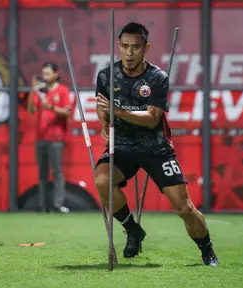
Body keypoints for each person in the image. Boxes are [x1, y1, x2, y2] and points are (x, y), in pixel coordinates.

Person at [94, 22, 219, 266]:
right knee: (101, 180)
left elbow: (152, 119)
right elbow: (103, 108)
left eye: (136, 48)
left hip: (157, 149)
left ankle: (207, 249)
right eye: (124, 46)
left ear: (146, 48)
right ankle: (132, 229)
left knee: (184, 208)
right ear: (118, 46)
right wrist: (103, 122)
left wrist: (116, 112)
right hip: (123, 147)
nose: (129, 53)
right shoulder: (106, 76)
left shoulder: (156, 77)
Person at [27, 62, 72, 214]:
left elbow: (67, 112)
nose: (45, 77)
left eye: (48, 74)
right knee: (42, 173)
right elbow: (30, 110)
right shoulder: (40, 92)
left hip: (56, 139)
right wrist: (33, 91)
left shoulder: (63, 91)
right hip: (40, 139)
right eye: (44, 74)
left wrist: (51, 108)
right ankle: (42, 205)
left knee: (57, 172)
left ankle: (58, 204)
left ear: (56, 74)